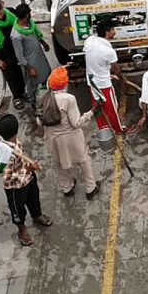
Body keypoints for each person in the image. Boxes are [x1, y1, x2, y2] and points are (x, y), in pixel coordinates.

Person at [42, 67, 100, 200]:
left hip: (52, 138)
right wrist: (90, 113)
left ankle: (67, 188)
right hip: (70, 137)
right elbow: (76, 123)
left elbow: (40, 122)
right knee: (84, 160)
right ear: (64, 83)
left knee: (59, 164)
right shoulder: (69, 99)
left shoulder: (44, 98)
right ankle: (91, 188)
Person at [0, 113, 52, 245]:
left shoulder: (14, 142)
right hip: (15, 187)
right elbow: (7, 176)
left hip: (28, 179)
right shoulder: (6, 154)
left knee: (34, 198)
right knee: (18, 208)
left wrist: (28, 169)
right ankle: (21, 228)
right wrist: (28, 169)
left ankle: (36, 215)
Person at [0, 1, 27, 110]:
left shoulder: (11, 13)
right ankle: (16, 97)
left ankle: (23, 92)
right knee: (10, 76)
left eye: (0, 13)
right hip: (4, 53)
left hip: (18, 49)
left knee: (22, 72)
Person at [84, 20, 123, 133]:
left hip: (92, 83)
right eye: (112, 30)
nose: (114, 33)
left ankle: (103, 129)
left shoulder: (89, 41)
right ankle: (118, 129)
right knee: (111, 109)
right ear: (107, 32)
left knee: (97, 107)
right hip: (104, 84)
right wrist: (122, 80)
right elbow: (116, 69)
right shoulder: (108, 51)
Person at [10, 3, 52, 109]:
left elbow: (36, 34)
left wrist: (43, 42)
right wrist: (29, 68)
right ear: (27, 15)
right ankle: (33, 103)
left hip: (39, 57)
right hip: (31, 63)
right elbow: (19, 55)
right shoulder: (16, 36)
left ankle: (48, 98)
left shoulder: (30, 25)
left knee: (46, 76)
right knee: (32, 84)